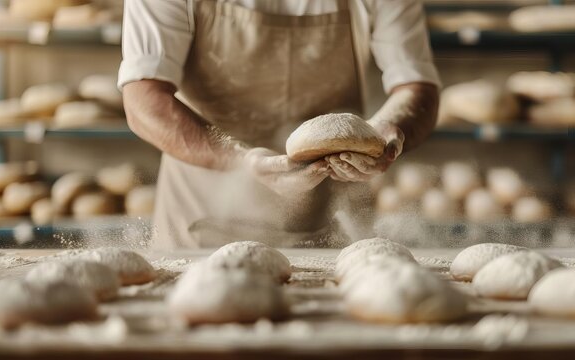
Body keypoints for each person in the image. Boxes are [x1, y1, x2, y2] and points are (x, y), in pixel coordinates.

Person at [119, 0, 440, 248]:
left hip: (330, 224)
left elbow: (416, 87)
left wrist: (385, 131)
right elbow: (144, 100)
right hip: (199, 222)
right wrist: (240, 159)